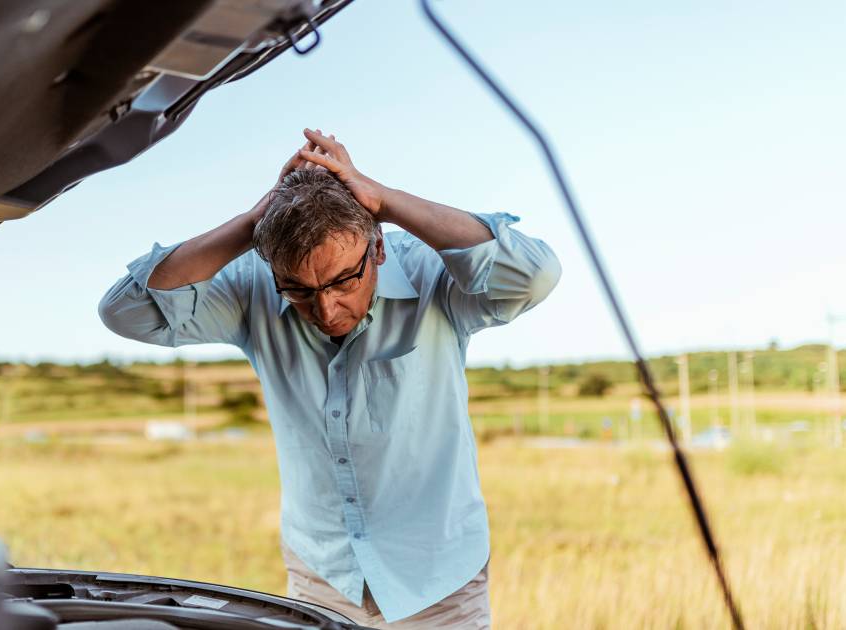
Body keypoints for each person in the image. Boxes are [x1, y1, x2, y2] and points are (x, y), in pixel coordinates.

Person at [98, 128, 561, 628]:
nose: (325, 307)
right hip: (323, 576)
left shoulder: (431, 272)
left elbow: (533, 275)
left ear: (377, 248)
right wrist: (253, 222)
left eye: (344, 280)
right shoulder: (252, 285)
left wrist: (386, 200)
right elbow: (125, 310)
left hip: (440, 579)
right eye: (297, 289)